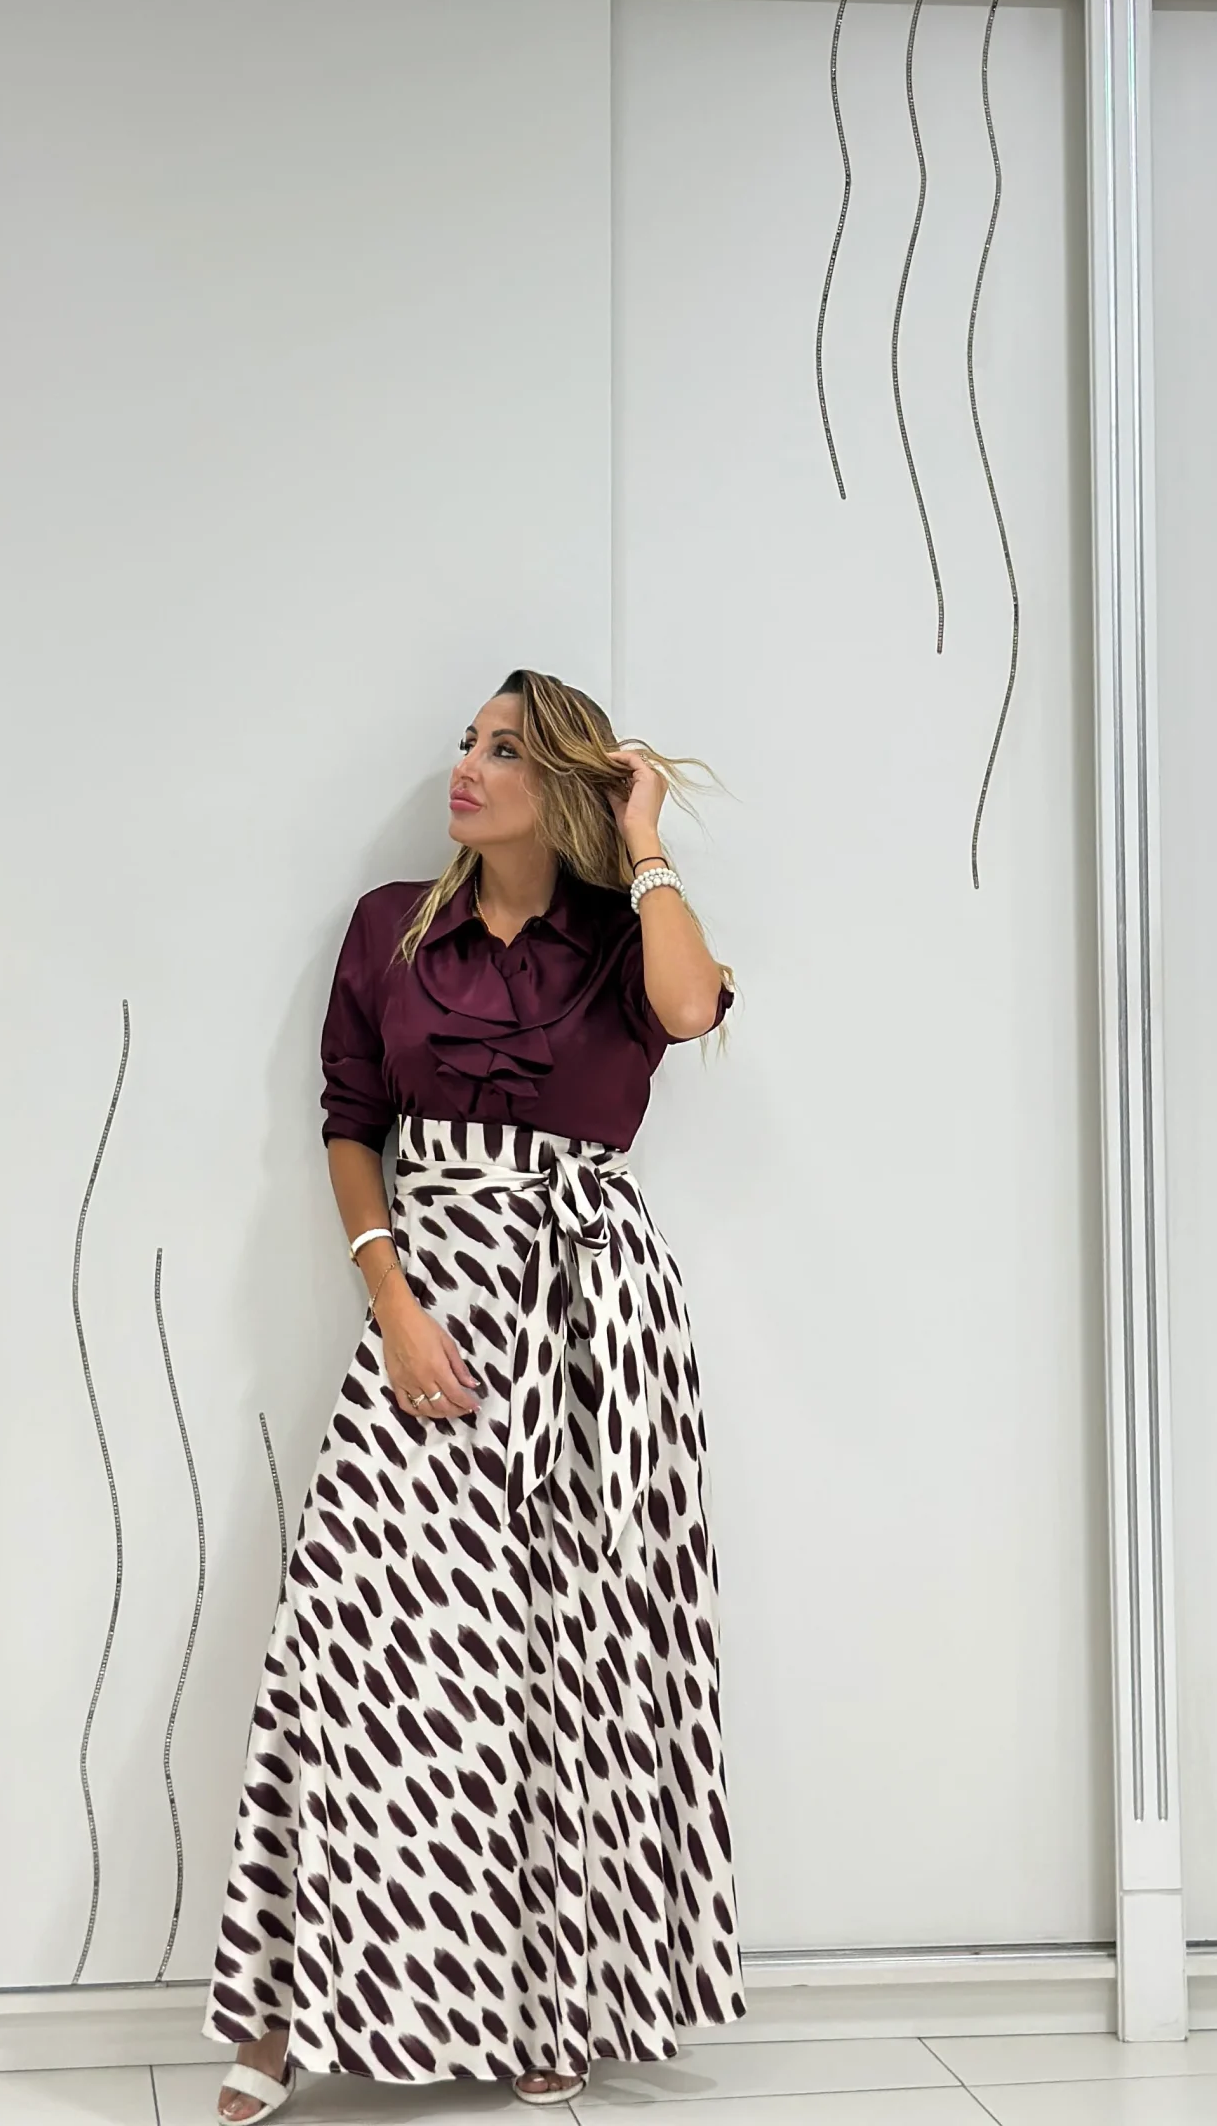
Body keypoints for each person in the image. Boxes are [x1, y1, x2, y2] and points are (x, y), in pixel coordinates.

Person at [207, 667, 746, 2115]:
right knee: (355, 1647)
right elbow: (351, 1123)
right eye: (467, 741)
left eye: (504, 750)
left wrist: (644, 839)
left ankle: (555, 1999)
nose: (467, 765)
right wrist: (392, 1305)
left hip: (596, 1325)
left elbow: (689, 1006)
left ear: (560, 784)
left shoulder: (625, 937)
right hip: (432, 1305)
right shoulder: (391, 928)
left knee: (576, 1664)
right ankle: (285, 2012)